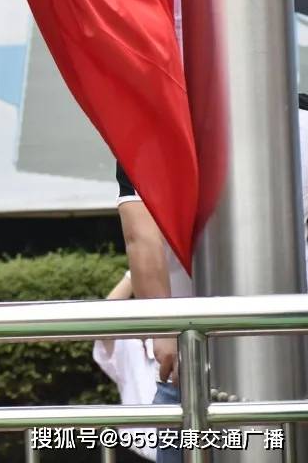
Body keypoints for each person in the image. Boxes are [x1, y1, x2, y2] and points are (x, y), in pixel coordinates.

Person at [115, 163, 192, 463]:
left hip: (186, 361)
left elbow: (141, 235)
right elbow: (141, 235)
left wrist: (163, 330)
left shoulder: (148, 136)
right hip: (284, 344)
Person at [92, 271, 159, 462]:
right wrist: (136, 271)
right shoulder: (129, 345)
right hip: (135, 454)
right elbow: (100, 322)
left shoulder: (182, 338)